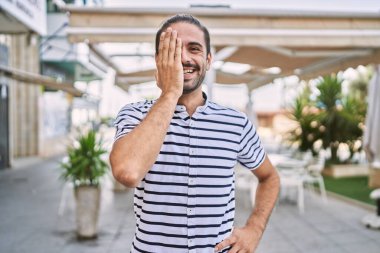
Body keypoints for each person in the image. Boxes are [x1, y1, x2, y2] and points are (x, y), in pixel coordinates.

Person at [110, 14, 280, 253]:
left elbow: (270, 178)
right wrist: (170, 93)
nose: (183, 57)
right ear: (159, 60)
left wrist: (255, 228)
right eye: (173, 49)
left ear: (208, 60)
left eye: (194, 49)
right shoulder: (134, 114)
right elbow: (127, 172)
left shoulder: (236, 122)